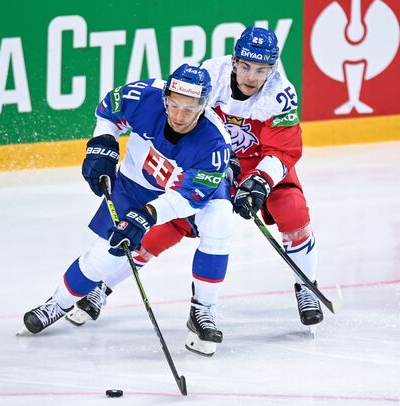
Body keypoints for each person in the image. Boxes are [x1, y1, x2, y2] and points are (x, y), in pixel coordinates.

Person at [67, 26, 323, 333]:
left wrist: (259, 181)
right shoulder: (209, 76)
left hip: (258, 163)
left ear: (273, 68)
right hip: (208, 163)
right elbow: (180, 117)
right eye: (244, 67)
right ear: (234, 60)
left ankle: (306, 285)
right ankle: (103, 286)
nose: (251, 77)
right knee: (166, 225)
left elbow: (283, 149)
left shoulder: (280, 94)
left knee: (293, 211)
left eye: (261, 70)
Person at [21, 64, 235, 357]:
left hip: (182, 194)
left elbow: (187, 198)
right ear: (164, 97)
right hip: (136, 185)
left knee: (220, 221)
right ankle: (57, 303)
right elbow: (108, 108)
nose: (179, 115)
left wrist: (147, 214)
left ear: (203, 106)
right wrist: (104, 141)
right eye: (173, 105)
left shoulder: (214, 143)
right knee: (103, 258)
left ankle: (204, 310)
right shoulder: (144, 96)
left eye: (189, 108)